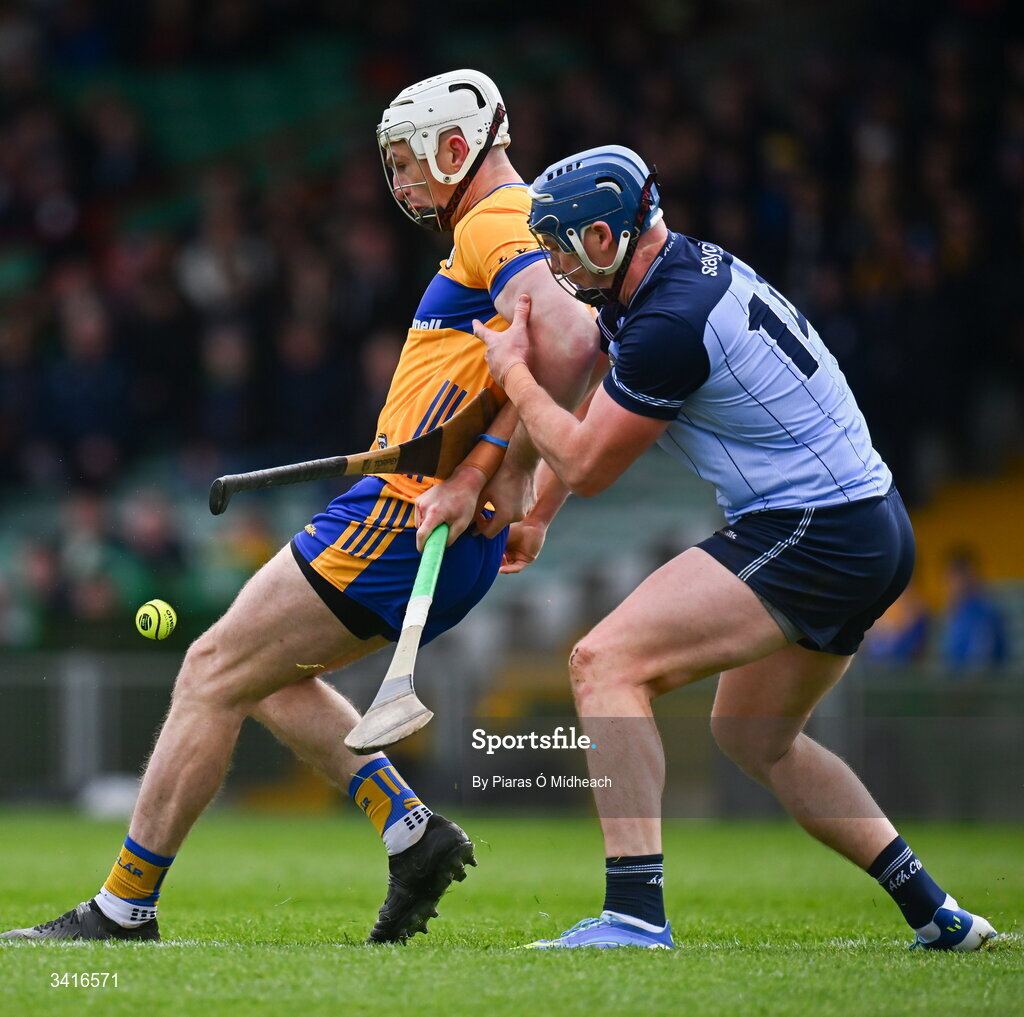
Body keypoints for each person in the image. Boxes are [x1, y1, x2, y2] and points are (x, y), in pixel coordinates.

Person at [2, 70, 594, 944]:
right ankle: (412, 834)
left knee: (209, 668)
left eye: (406, 162)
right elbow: (553, 347)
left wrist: (486, 474)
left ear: (456, 147)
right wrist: (530, 496)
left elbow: (574, 340)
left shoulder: (497, 217)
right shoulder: (507, 224)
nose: (399, 184)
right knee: (260, 677)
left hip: (403, 514)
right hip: (419, 515)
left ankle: (123, 908)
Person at [475, 145, 999, 951]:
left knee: (604, 662)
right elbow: (600, 394)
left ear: (608, 239)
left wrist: (513, 374)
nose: (553, 261)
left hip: (818, 526)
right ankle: (937, 911)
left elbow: (585, 458)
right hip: (870, 523)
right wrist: (537, 514)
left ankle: (634, 914)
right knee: (754, 736)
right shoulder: (664, 279)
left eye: (562, 242)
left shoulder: (670, 321)